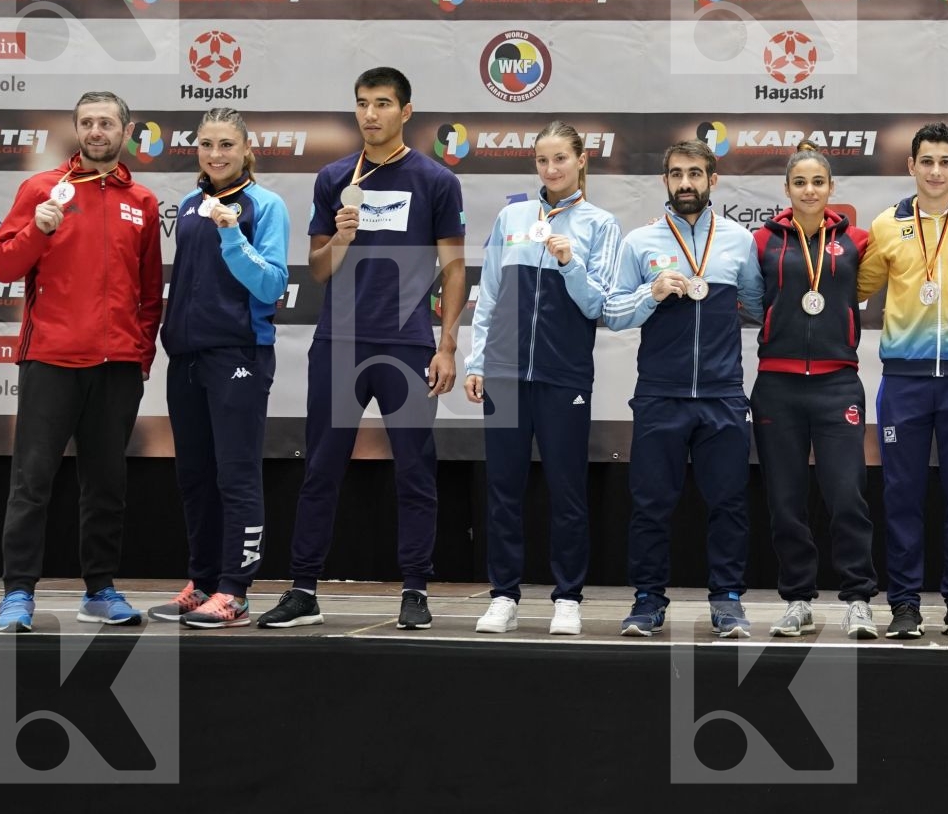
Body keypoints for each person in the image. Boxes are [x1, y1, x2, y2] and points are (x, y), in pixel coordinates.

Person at [258, 68, 465, 631]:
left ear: (406, 111)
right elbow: (318, 269)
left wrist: (447, 345)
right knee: (321, 469)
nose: (371, 114)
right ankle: (303, 589)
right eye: (362, 103)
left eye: (383, 103)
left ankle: (415, 589)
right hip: (340, 343)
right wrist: (343, 238)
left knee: (415, 471)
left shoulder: (436, 180)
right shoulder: (333, 177)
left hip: (407, 344)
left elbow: (454, 268)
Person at [0, 90, 163, 632]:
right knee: (32, 482)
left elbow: (150, 291)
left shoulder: (143, 201)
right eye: (87, 123)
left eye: (106, 123)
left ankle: (100, 590)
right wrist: (37, 229)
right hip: (51, 359)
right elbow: (2, 266)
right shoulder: (43, 189)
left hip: (117, 366)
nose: (95, 131)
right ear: (77, 130)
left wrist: (139, 353)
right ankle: (18, 593)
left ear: (126, 131)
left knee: (106, 485)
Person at [464, 121, 620, 636]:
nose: (551, 169)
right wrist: (477, 362)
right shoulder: (512, 216)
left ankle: (567, 598)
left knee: (567, 491)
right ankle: (503, 596)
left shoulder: (600, 225)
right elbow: (489, 292)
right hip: (504, 374)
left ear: (581, 160)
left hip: (563, 375)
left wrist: (569, 262)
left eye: (560, 159)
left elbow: (598, 304)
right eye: (542, 160)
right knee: (503, 490)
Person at [603, 139, 764, 637]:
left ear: (713, 180)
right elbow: (613, 313)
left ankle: (728, 599)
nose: (686, 183)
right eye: (677, 174)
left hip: (722, 394)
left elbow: (759, 307)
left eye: (695, 173)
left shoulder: (739, 240)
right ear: (665, 181)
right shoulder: (640, 242)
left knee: (729, 504)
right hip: (660, 393)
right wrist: (650, 294)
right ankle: (648, 599)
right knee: (650, 505)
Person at [856, 123, 948, 639]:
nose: (936, 171)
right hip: (904, 381)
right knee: (902, 496)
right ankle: (904, 604)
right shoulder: (886, 225)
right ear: (911, 166)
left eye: (946, 162)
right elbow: (857, 285)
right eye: (927, 161)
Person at [149, 108, 290, 629]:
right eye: (207, 144)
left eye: (227, 144)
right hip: (187, 357)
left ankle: (236, 590)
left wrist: (233, 234)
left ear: (246, 149)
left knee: (236, 474)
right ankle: (203, 581)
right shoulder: (190, 204)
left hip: (239, 355)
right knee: (194, 476)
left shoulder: (265, 205)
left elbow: (272, 285)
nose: (216, 154)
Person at [751, 143, 879, 640]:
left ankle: (858, 599)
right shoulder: (762, 240)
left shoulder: (857, 240)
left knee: (847, 496)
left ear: (831, 188)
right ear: (787, 188)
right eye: (800, 182)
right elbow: (748, 296)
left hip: (837, 383)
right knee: (786, 500)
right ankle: (797, 599)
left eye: (818, 182)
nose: (809, 190)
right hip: (777, 385)